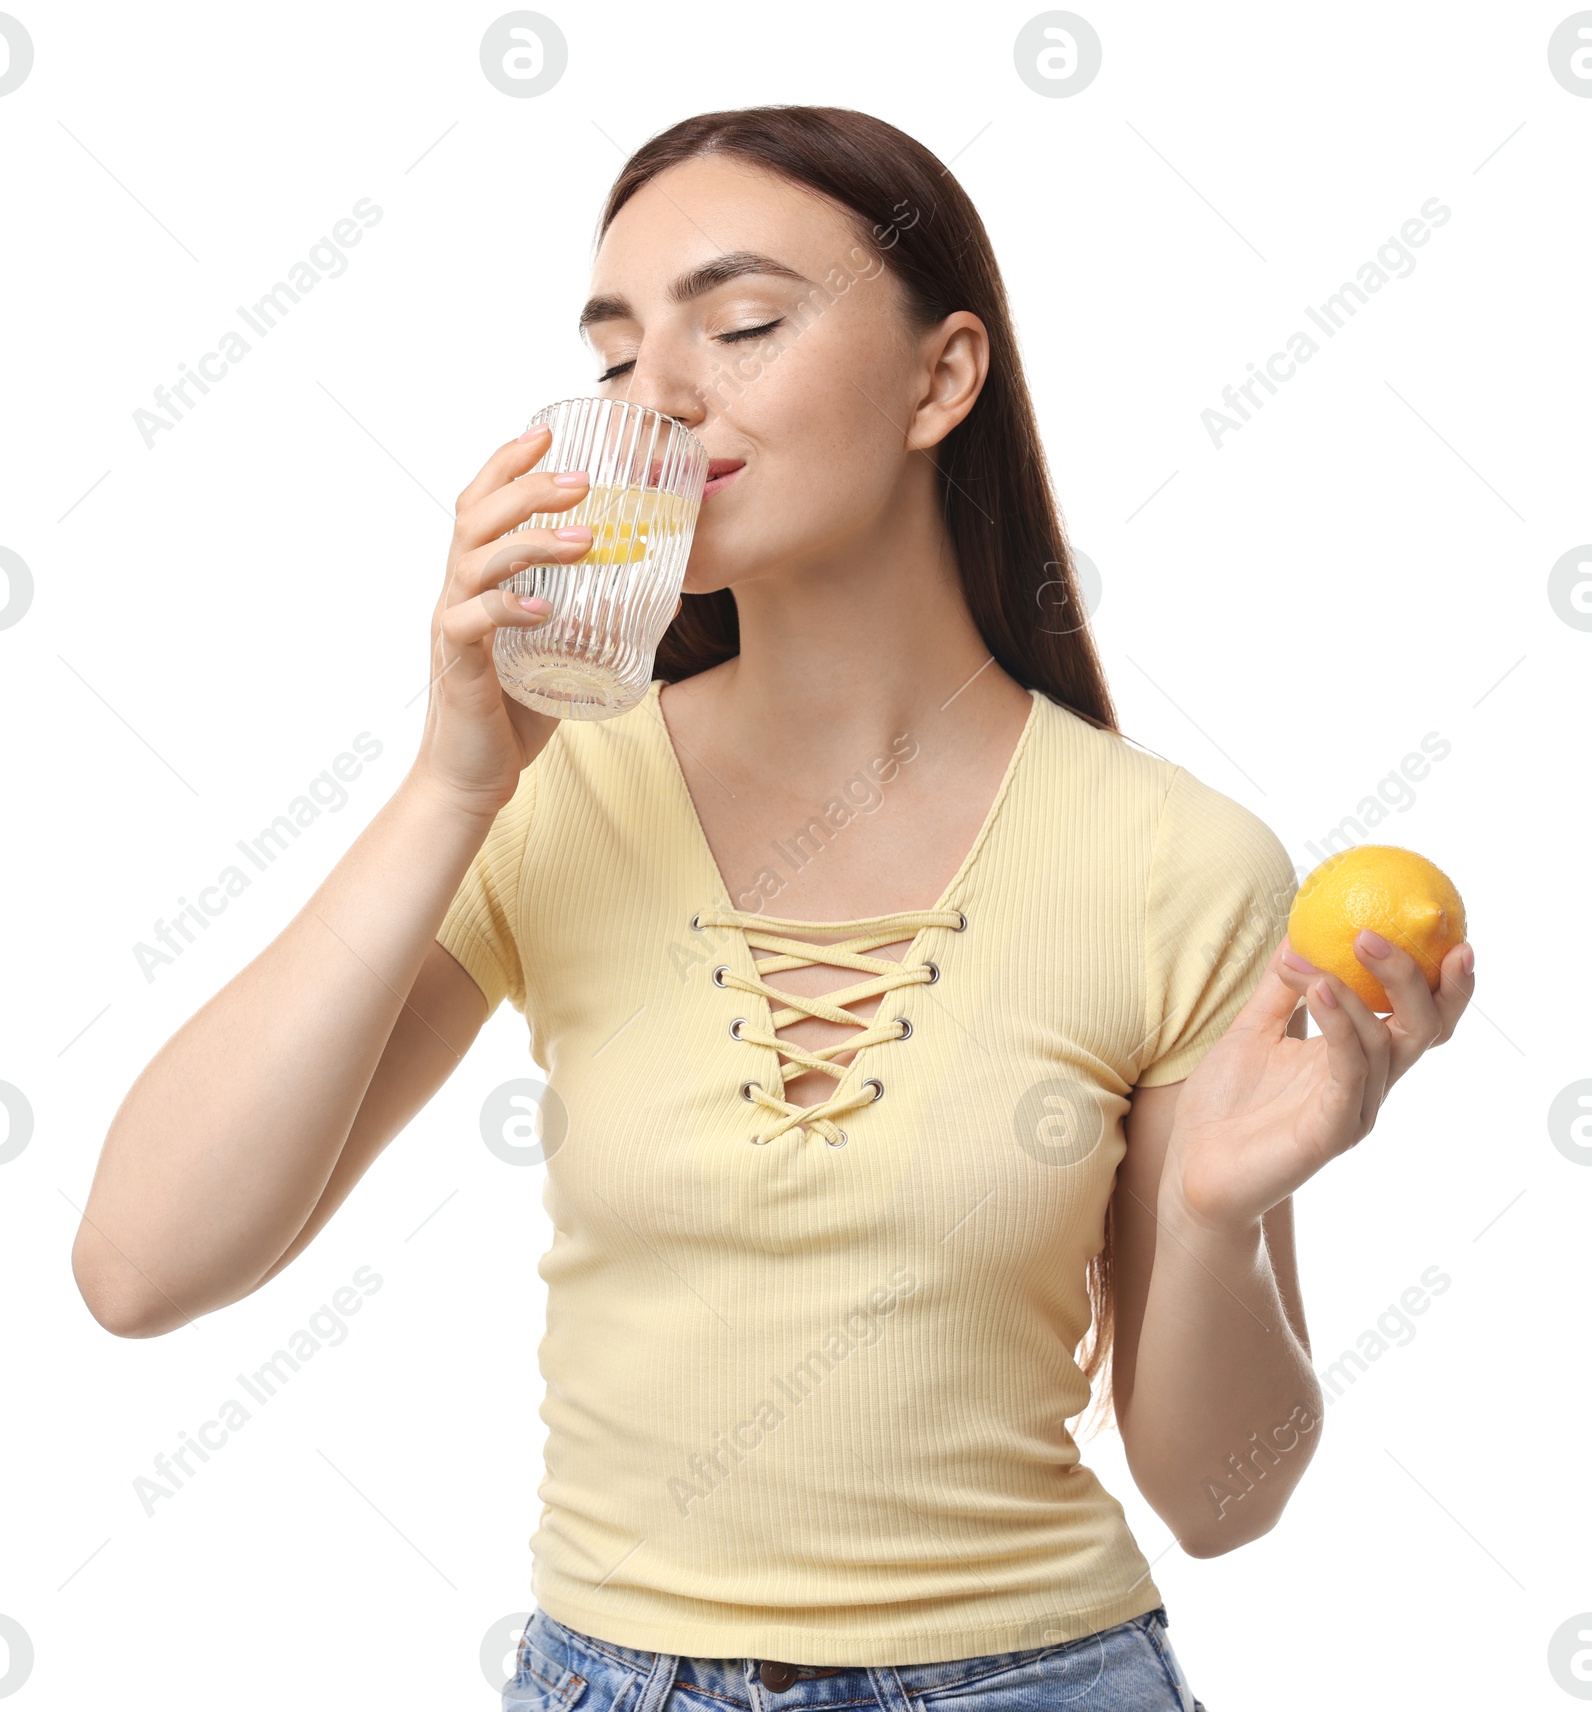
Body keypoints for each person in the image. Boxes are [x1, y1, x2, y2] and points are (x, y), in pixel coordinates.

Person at [73, 106, 1475, 1712]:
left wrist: (1218, 1214)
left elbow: (1230, 1502)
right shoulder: (551, 799)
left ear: (942, 380)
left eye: (738, 326)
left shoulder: (1182, 862)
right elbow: (139, 1268)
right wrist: (453, 781)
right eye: (614, 358)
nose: (658, 397)